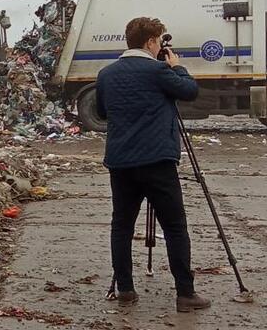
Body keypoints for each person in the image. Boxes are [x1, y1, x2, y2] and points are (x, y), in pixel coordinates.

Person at [95, 17, 211, 312]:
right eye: (158, 41)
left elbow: (102, 111)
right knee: (174, 227)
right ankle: (185, 293)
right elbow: (189, 91)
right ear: (150, 42)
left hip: (121, 161)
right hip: (157, 161)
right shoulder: (159, 71)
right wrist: (177, 67)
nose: (160, 46)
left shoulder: (106, 74)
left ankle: (125, 289)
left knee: (121, 226)